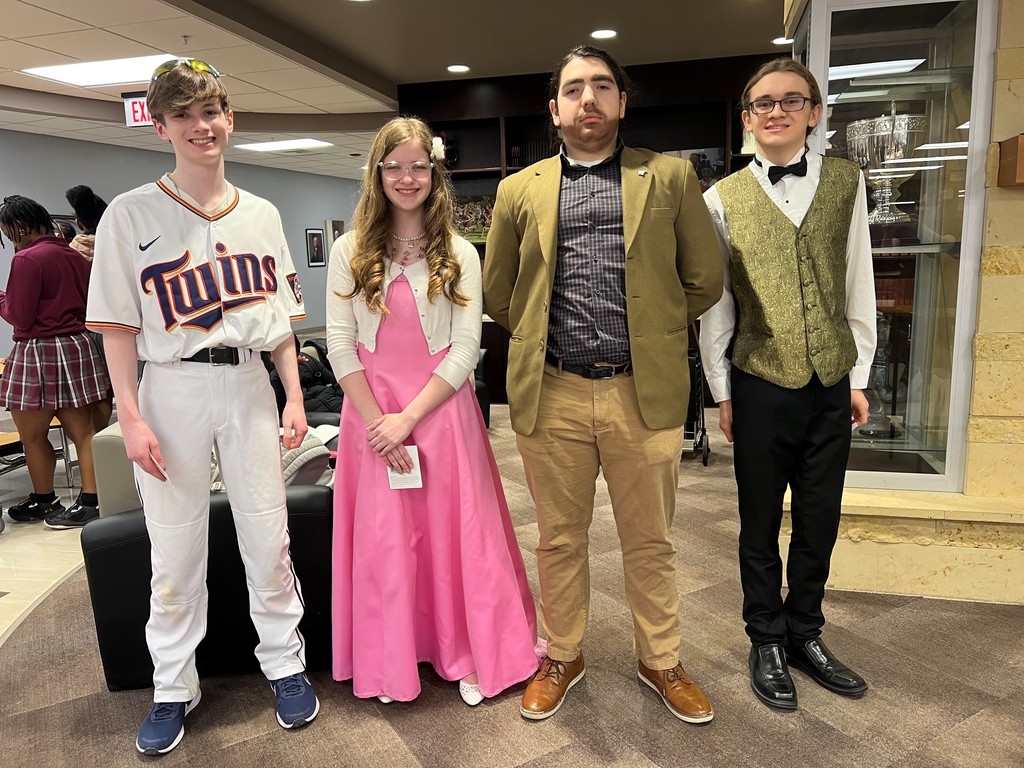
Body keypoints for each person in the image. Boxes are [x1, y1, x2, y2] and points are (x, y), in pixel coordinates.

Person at [482, 45, 724, 724]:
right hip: (551, 389)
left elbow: (704, 278)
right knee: (559, 538)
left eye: (601, 87)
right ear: (554, 108)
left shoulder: (670, 179)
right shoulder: (517, 189)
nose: (587, 100)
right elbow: (501, 292)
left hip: (641, 393)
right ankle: (563, 654)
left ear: (622, 101)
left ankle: (662, 659)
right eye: (573, 89)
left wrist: (652, 330)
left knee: (651, 538)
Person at [86, 57, 318, 755]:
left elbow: (280, 324)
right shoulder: (130, 214)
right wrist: (128, 414)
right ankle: (171, 685)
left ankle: (285, 664)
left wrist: (296, 397)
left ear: (230, 119)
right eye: (182, 114)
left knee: (266, 532)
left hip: (248, 382)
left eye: (210, 111)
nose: (200, 125)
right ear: (159, 127)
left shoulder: (264, 213)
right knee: (174, 546)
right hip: (172, 384)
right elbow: (119, 330)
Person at [326, 117, 539, 707]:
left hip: (441, 414)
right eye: (393, 166)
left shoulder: (460, 252)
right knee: (387, 541)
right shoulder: (349, 250)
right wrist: (379, 422)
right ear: (377, 174)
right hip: (371, 416)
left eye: (418, 165)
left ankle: (467, 651)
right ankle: (393, 656)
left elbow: (467, 349)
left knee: (456, 537)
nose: (406, 177)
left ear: (434, 172)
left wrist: (408, 419)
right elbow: (342, 348)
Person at [698, 58, 876, 711]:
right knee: (756, 521)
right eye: (763, 103)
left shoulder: (847, 184)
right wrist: (722, 392)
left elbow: (860, 281)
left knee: (820, 519)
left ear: (814, 111)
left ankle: (806, 633)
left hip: (831, 379)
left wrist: (858, 373)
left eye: (790, 100)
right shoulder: (720, 198)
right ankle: (765, 638)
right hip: (759, 381)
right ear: (747, 118)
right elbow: (715, 307)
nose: (776, 111)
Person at [0, 195, 111, 529]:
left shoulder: (27, 259)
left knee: (32, 435)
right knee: (84, 431)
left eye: (7, 231)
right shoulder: (73, 254)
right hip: (76, 345)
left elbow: (19, 314)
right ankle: (91, 500)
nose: (8, 238)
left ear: (18, 226)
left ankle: (44, 498)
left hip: (37, 350)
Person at [65, 184, 114, 432]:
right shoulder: (118, 245)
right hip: (125, 326)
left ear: (78, 222)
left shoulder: (71, 253)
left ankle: (102, 443)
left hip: (88, 328)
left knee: (101, 391)